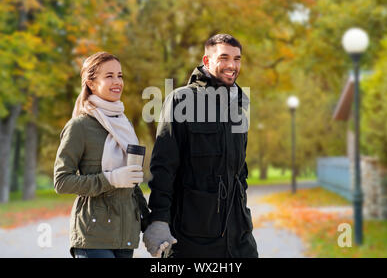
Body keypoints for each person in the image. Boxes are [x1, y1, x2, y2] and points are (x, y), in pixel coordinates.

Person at [143, 34, 258, 258]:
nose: (232, 65)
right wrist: (158, 219)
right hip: (192, 236)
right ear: (206, 61)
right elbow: (163, 166)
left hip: (239, 237)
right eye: (224, 58)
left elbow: (239, 169)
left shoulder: (239, 106)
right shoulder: (181, 101)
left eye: (237, 59)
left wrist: (242, 213)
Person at [54, 51, 149, 258]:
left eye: (120, 75)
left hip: (125, 236)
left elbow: (130, 184)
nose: (117, 82)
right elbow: (62, 181)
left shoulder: (125, 125)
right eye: (109, 76)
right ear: (91, 83)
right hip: (93, 235)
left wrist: (149, 225)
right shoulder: (80, 126)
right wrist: (111, 179)